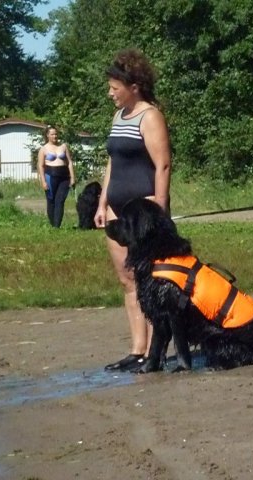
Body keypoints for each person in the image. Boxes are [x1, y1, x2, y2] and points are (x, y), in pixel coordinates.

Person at [94, 48, 172, 372]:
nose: (110, 93)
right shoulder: (118, 116)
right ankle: (137, 349)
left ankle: (156, 351)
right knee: (128, 280)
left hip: (142, 215)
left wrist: (161, 208)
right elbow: (113, 161)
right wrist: (102, 202)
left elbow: (163, 164)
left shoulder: (149, 116)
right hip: (115, 211)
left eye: (115, 87)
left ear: (134, 86)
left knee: (150, 279)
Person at [37, 126, 76, 228]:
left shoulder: (63, 146)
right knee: (51, 201)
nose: (55, 136)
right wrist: (43, 181)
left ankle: (57, 226)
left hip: (64, 177)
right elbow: (40, 166)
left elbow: (69, 162)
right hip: (50, 176)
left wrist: (72, 177)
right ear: (47, 135)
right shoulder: (43, 149)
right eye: (52, 134)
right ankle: (53, 224)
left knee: (60, 201)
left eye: (56, 134)